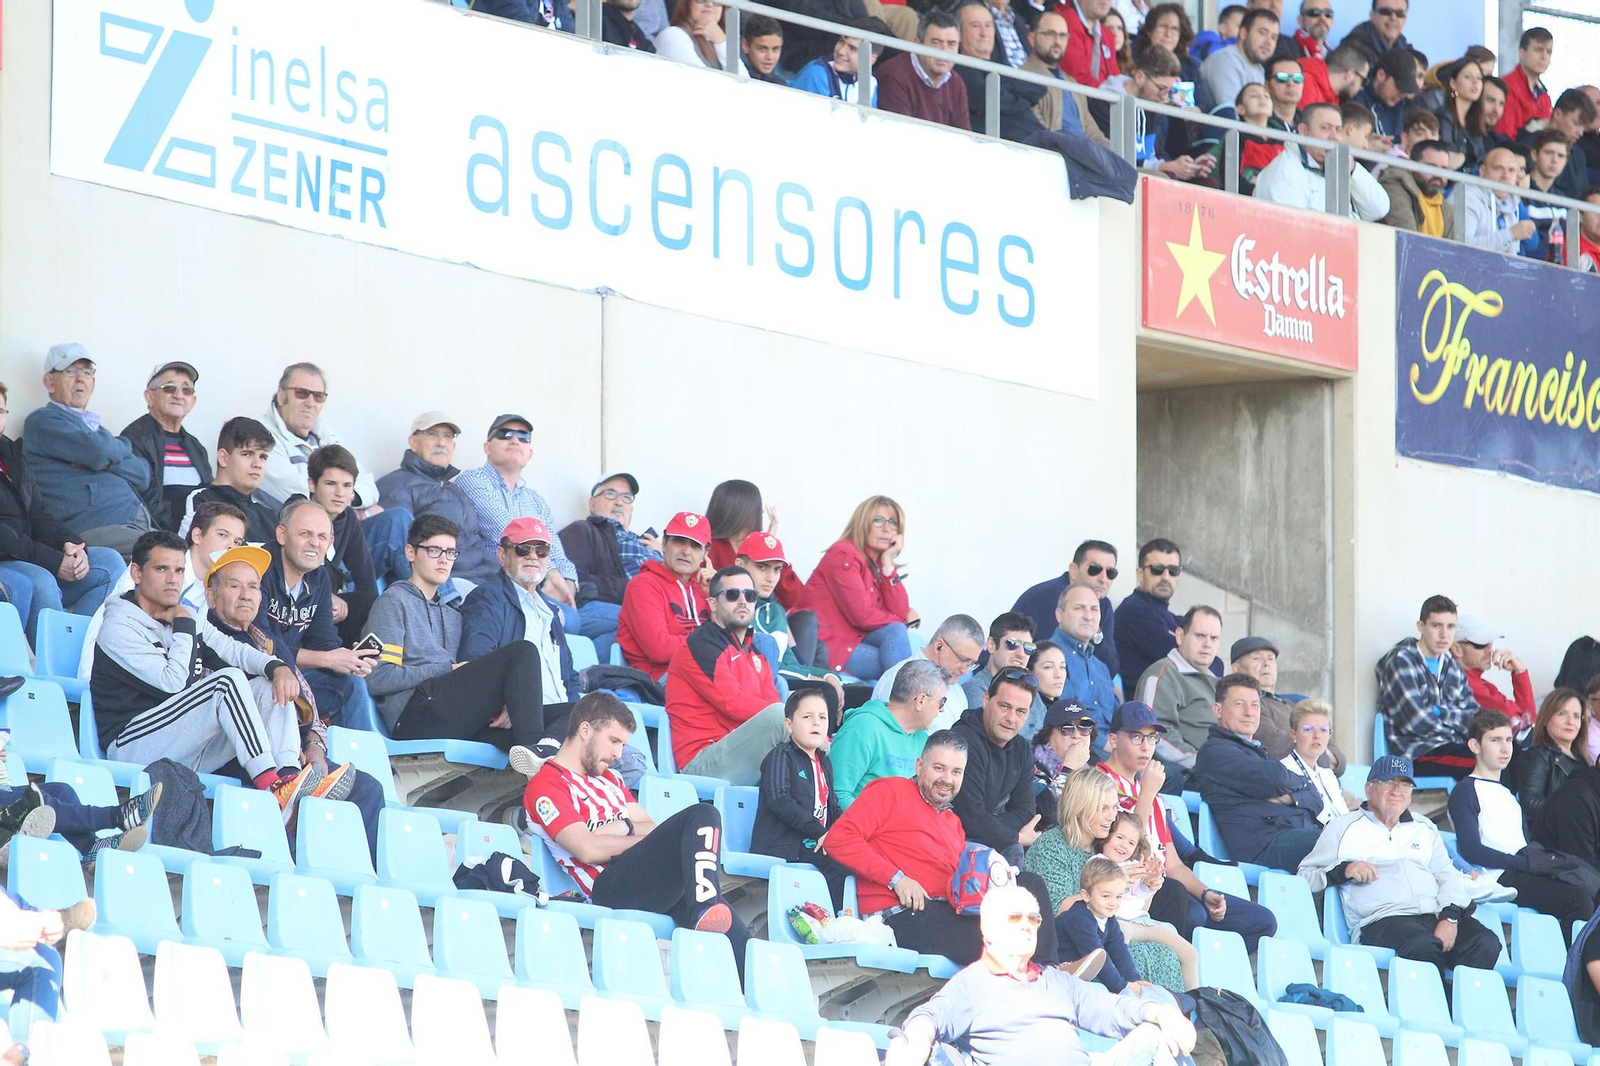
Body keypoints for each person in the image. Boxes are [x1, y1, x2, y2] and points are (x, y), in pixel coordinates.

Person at [90, 533, 340, 813]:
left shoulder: (181, 615)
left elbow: (231, 649)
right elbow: (175, 684)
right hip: (134, 746)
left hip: (181, 744)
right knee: (227, 681)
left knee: (265, 684)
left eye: (179, 570)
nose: (173, 578)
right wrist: (184, 626)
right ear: (136, 572)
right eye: (162, 569)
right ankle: (271, 785)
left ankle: (289, 778)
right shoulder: (119, 627)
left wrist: (277, 667)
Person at [523, 692, 753, 968]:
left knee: (743, 947)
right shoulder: (547, 784)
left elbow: (650, 828)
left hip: (644, 880)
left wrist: (624, 826)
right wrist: (635, 838)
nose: (619, 754)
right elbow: (586, 848)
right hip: (608, 886)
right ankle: (704, 906)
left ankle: (711, 920)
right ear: (585, 730)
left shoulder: (611, 779)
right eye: (614, 741)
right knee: (703, 814)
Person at [887, 882, 1198, 1066]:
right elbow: (929, 1018)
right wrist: (913, 1042)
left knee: (1155, 1035)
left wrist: (1163, 1013)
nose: (1026, 924)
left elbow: (1114, 1009)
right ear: (988, 928)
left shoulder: (1056, 981)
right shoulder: (973, 985)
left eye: (1033, 919)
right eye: (1014, 917)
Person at [203, 541, 385, 853]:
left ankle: (360, 880)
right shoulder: (203, 635)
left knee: (368, 788)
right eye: (234, 586)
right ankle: (294, 873)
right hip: (236, 753)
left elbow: (307, 697)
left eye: (253, 587)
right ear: (211, 595)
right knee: (271, 696)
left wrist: (314, 746)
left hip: (291, 753)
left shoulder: (267, 641)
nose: (246, 594)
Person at [825, 731, 1062, 965]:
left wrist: (995, 884)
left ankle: (1048, 971)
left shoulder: (952, 822)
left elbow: (955, 884)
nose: (947, 779)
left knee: (1029, 885)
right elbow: (838, 839)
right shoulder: (890, 791)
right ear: (919, 766)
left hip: (947, 910)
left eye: (956, 772)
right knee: (999, 939)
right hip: (900, 915)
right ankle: (1036, 976)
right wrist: (897, 879)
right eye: (939, 768)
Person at [1096, 703, 1278, 949]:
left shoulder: (1152, 792)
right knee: (1190, 911)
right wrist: (1147, 792)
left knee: (1262, 921)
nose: (1146, 746)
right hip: (1130, 888)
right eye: (1136, 736)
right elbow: (1128, 851)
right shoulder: (1100, 783)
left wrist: (1205, 893)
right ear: (1113, 739)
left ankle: (1213, 973)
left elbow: (1173, 865)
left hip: (1163, 885)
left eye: (1152, 738)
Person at [366, 515, 555, 751]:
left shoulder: (454, 615)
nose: (444, 560)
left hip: (454, 717)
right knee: (523, 652)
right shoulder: (393, 603)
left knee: (581, 713)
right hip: (413, 717)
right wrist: (447, 670)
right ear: (411, 553)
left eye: (450, 553)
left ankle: (539, 759)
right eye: (434, 551)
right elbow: (379, 678)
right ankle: (535, 757)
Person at [1299, 755, 1500, 972]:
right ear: (1368, 789)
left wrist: (1450, 918)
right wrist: (1344, 870)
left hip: (1432, 914)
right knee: (1422, 947)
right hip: (1382, 920)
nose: (1397, 791)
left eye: (1405, 784)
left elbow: (1447, 877)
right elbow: (1306, 875)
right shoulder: (1342, 827)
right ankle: (1439, 1001)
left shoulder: (1425, 827)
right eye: (1387, 783)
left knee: (1485, 943)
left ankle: (1457, 1002)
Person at [1024, 766, 1211, 982]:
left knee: (1167, 953)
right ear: (1079, 807)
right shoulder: (1052, 846)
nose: (1112, 816)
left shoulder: (1105, 845)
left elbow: (1136, 907)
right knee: (1141, 955)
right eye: (1103, 808)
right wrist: (1111, 881)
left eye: (1114, 807)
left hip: (1112, 930)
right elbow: (1054, 911)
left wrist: (1148, 885)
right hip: (1073, 943)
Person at [1450, 709, 1600, 935]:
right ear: (1475, 746)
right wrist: (1524, 864)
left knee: (1590, 885)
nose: (1505, 748)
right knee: (1576, 898)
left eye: (1509, 740)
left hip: (1524, 867)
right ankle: (1576, 967)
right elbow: (1472, 850)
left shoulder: (1508, 794)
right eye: (1495, 740)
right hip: (1498, 876)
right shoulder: (1466, 789)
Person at [260, 363, 410, 584]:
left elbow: (368, 486)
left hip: (339, 534)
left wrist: (345, 498)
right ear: (281, 395)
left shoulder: (324, 434)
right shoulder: (262, 435)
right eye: (302, 393)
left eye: (318, 396)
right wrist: (363, 513)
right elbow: (299, 493)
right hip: (300, 543)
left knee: (400, 518)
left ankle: (438, 606)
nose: (310, 402)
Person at [0, 384, 121, 641]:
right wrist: (53, 561)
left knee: (109, 563)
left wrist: (72, 545)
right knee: (41, 579)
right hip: (8, 560)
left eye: (0, 410)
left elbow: (39, 514)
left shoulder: (11, 455)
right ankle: (57, 667)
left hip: (28, 555)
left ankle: (82, 657)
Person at [77, 500, 248, 678]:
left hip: (164, 682)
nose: (231, 547)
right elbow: (105, 624)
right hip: (115, 678)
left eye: (237, 542)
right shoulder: (154, 565)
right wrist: (87, 682)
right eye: (222, 535)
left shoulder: (210, 590)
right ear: (197, 535)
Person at [457, 518, 580, 759]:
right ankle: (548, 750)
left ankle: (551, 746)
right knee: (587, 715)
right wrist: (505, 703)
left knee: (599, 714)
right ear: (502, 555)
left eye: (542, 550)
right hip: (515, 719)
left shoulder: (550, 611)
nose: (533, 556)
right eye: (523, 549)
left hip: (555, 719)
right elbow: (476, 662)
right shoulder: (488, 598)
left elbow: (570, 678)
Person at [454, 414, 589, 634]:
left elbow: (556, 550)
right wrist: (548, 574)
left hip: (533, 587)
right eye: (505, 434)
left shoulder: (536, 501)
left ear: (530, 453)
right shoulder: (472, 480)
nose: (515, 440)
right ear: (487, 447)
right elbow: (510, 534)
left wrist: (567, 584)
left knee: (576, 620)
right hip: (491, 583)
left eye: (523, 437)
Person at [254, 499, 380, 722]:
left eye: (322, 537)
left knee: (352, 684)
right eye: (305, 534)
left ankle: (351, 757)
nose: (314, 543)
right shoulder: (257, 569)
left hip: (295, 676)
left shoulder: (319, 577)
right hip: (256, 676)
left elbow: (323, 642)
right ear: (282, 535)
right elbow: (260, 643)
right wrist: (327, 659)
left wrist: (347, 661)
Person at [22, 344, 151, 555]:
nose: (80, 378)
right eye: (70, 371)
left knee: (184, 554)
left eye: (87, 371)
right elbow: (98, 452)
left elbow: (142, 474)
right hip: (90, 527)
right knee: (165, 552)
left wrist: (109, 457)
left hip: (129, 523)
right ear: (50, 381)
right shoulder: (42, 421)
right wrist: (115, 451)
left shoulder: (95, 429)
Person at [664, 565, 786, 784]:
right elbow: (732, 702)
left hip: (740, 753)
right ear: (712, 603)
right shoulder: (701, 645)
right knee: (783, 718)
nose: (742, 601)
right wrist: (798, 720)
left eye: (749, 595)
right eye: (732, 595)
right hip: (702, 761)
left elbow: (772, 702)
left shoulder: (756, 655)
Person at [1192, 674, 1324, 870]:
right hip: (1263, 845)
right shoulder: (1215, 752)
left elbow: (1315, 798)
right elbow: (1276, 778)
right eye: (1239, 704)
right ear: (1218, 710)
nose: (1249, 712)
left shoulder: (1258, 753)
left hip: (1294, 833)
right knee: (1341, 842)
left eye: (1255, 705)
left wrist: (1289, 798)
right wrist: (1296, 787)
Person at [795, 495, 914, 679]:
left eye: (893, 522)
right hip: (828, 644)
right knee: (900, 668)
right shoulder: (844, 555)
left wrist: (888, 565)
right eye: (878, 520)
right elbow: (864, 616)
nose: (887, 528)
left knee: (898, 638)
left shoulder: (876, 562)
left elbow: (899, 610)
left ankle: (909, 697)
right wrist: (901, 619)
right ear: (862, 524)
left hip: (853, 637)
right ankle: (909, 700)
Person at [752, 689, 851, 907]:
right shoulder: (780, 756)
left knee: (859, 857)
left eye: (822, 717)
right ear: (789, 725)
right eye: (807, 717)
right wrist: (821, 833)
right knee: (840, 865)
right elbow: (780, 800)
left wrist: (847, 833)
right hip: (784, 844)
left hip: (815, 842)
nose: (816, 723)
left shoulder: (824, 762)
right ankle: (836, 924)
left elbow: (832, 806)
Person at [375, 413, 496, 583]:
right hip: (448, 586)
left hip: (483, 578)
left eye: (447, 436)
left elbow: (475, 544)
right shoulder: (396, 485)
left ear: (453, 445)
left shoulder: (455, 489)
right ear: (413, 442)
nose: (441, 443)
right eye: (432, 434)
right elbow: (402, 552)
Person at [1376, 594, 1480, 779]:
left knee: (1511, 754)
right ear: (1421, 626)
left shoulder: (1452, 667)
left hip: (1452, 747)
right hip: (1415, 754)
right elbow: (1416, 721)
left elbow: (1474, 718)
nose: (1444, 634)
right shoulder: (1401, 661)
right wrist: (1458, 728)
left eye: (1450, 627)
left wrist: (1441, 712)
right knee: (1488, 760)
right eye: (1436, 625)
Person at [952, 668, 1045, 863]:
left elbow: (1026, 812)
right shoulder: (962, 740)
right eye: (1004, 706)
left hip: (988, 844)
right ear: (986, 700)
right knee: (1014, 848)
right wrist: (1016, 836)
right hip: (953, 844)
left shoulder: (1020, 747)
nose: (1011, 718)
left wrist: (990, 825)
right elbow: (969, 820)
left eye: (1021, 711)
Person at [557, 472, 661, 643]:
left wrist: (662, 554)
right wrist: (635, 590)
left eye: (626, 497)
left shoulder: (648, 544)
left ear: (631, 509)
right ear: (592, 503)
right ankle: (592, 671)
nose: (619, 502)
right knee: (635, 623)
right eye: (610, 494)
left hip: (654, 609)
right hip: (594, 608)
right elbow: (574, 582)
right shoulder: (582, 530)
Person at [829, 658, 946, 807]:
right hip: (864, 828)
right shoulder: (863, 728)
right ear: (921, 700)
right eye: (941, 701)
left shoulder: (923, 740)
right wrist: (876, 829)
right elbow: (837, 794)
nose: (942, 709)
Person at [1094, 46, 1216, 181]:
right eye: (1162, 89)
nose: (1165, 97)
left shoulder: (1151, 101)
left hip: (1151, 175)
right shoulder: (1106, 101)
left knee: (1208, 183)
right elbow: (1115, 154)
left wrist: (1188, 167)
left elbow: (1158, 154)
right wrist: (1164, 167)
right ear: (1140, 77)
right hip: (1122, 175)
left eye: (1170, 91)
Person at [615, 510, 711, 679]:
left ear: (705, 554)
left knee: (761, 643)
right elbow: (660, 649)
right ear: (664, 544)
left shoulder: (704, 590)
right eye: (680, 542)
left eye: (695, 546)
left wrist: (718, 595)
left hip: (704, 675)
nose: (686, 551)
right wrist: (711, 643)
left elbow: (733, 642)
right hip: (662, 679)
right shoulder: (643, 585)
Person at [1229, 635, 1346, 772]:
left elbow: (1339, 758)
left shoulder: (1292, 705)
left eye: (1271, 659)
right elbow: (1276, 745)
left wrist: (1316, 753)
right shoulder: (1249, 707)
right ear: (1237, 669)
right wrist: (1322, 754)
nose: (1266, 664)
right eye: (1257, 658)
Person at [1253, 102, 1388, 220]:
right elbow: (1289, 229)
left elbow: (1378, 210)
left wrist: (1353, 170)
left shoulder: (1341, 167)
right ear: (1304, 131)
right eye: (1325, 128)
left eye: (1338, 130)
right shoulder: (1285, 170)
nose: (1334, 136)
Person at [120, 361, 212, 533]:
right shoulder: (135, 438)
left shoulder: (196, 447)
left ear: (193, 401)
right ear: (150, 396)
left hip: (197, 533)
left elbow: (209, 494)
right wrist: (178, 534)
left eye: (187, 390)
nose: (178, 395)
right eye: (169, 388)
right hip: (159, 534)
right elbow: (143, 499)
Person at [1012, 539, 1120, 684]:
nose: (1103, 579)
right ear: (1074, 571)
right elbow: (1048, 664)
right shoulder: (1049, 597)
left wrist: (1094, 632)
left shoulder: (1103, 604)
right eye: (1094, 570)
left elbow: (1110, 669)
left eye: (1110, 573)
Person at [737, 532, 836, 689]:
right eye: (762, 567)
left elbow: (791, 663)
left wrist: (828, 676)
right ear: (740, 565)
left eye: (777, 570)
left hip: (788, 684)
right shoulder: (732, 606)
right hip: (763, 691)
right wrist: (811, 677)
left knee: (859, 690)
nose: (771, 577)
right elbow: (764, 668)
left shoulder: (776, 610)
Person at [306, 446, 379, 646]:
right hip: (302, 609)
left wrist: (377, 613)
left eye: (347, 486)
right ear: (312, 484)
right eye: (331, 484)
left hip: (332, 609)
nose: (340, 493)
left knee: (375, 603)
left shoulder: (347, 518)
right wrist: (325, 596)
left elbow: (365, 575)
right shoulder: (298, 515)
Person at [1134, 605, 1221, 772]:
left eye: (1214, 638)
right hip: (1192, 774)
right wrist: (1204, 763)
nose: (1207, 644)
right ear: (1180, 636)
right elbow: (1154, 734)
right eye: (1200, 636)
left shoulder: (1219, 682)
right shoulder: (1162, 675)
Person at [1114, 538, 1211, 688]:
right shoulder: (1133, 611)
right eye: (1157, 570)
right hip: (1147, 708)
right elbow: (1190, 660)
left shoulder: (1174, 619)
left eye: (1173, 571)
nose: (1166, 577)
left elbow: (1213, 663)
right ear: (1140, 574)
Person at [178, 417, 282, 544]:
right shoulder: (200, 500)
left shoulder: (269, 516)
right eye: (247, 454)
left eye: (263, 457)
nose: (257, 464)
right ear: (224, 458)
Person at [873, 614, 984, 733]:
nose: (966, 671)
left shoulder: (958, 691)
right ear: (939, 646)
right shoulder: (897, 679)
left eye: (971, 664)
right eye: (963, 660)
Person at [953, 0, 1045, 143]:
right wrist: (1022, 100)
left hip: (1037, 140)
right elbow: (987, 99)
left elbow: (1038, 88)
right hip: (1010, 147)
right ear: (959, 34)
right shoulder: (960, 68)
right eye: (975, 26)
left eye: (988, 26)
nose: (984, 33)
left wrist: (1009, 95)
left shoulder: (1000, 66)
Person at [704, 479, 804, 610]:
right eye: (757, 508)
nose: (761, 512)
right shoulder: (708, 549)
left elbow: (794, 597)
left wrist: (770, 550)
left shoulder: (756, 546)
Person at [875, 9, 971, 129]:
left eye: (951, 44)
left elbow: (965, 137)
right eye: (936, 42)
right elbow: (901, 134)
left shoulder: (956, 82)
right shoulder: (894, 74)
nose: (944, 51)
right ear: (917, 44)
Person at [1516, 688, 1588, 833]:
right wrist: (1572, 811)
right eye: (1562, 714)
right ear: (1546, 717)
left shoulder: (1584, 760)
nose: (1570, 722)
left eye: (1576, 716)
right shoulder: (1537, 755)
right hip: (1554, 840)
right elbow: (1529, 802)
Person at [1049, 585, 1118, 734]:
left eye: (1094, 609)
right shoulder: (1047, 658)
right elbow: (1063, 722)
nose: (1088, 616)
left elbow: (1120, 719)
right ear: (1059, 614)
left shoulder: (1101, 668)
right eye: (1079, 608)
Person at [1449, 614, 1535, 731]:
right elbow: (1524, 723)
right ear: (1456, 649)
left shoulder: (1480, 682)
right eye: (1481, 645)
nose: (1490, 650)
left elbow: (1529, 722)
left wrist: (1519, 671)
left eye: (1490, 643)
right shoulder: (1463, 683)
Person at [1279, 699, 1355, 824]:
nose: (1317, 736)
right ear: (1293, 734)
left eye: (1324, 730)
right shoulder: (1284, 771)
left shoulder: (1328, 775)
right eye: (1308, 729)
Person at [1022, 12, 1095, 139]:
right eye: (1050, 34)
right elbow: (1039, 133)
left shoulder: (1073, 84)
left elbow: (1093, 132)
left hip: (1084, 151)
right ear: (1032, 39)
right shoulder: (1023, 77)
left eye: (1062, 35)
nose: (1057, 41)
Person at [962, 612, 1039, 727]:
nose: (1021, 654)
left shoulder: (1032, 692)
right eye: (1013, 644)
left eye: (1028, 647)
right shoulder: (974, 691)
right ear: (991, 645)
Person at [1456, 145, 1537, 254]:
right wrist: (1510, 234)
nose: (1506, 176)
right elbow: (1462, 248)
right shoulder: (1467, 196)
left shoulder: (1511, 204)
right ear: (1482, 171)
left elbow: (1529, 246)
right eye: (1498, 168)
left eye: (1511, 170)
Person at [1199, 8, 1276, 120]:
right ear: (1243, 33)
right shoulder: (1224, 59)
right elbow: (1233, 115)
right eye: (1263, 33)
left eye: (1274, 37)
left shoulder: (1260, 69)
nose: (1269, 42)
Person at [1033, 700, 1098, 821]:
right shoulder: (1032, 765)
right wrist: (1068, 769)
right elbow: (1041, 816)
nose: (1077, 735)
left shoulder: (1090, 773)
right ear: (1048, 735)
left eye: (1084, 728)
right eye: (1067, 729)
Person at [1379, 140, 1455, 236]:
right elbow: (1407, 238)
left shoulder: (1445, 207)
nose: (1438, 174)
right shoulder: (1395, 184)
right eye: (1431, 167)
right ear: (1413, 165)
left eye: (1444, 169)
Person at [792, 25, 880, 104]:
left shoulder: (871, 82)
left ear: (870, 60)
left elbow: (869, 119)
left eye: (852, 49)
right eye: (841, 41)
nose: (841, 51)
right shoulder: (817, 72)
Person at [653, 0, 747, 72]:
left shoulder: (718, 41)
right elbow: (700, 79)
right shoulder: (672, 35)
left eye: (717, 1)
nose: (709, 4)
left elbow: (745, 81)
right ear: (687, 4)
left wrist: (721, 42)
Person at [1495, 26, 1553, 140]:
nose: (1544, 56)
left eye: (1549, 52)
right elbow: (1505, 134)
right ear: (1522, 53)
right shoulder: (1508, 86)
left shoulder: (1544, 95)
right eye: (1538, 50)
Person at [1354, 47, 1419, 144]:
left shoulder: (1400, 106)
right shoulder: (1356, 97)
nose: (1402, 95)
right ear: (1381, 75)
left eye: (1405, 91)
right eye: (1399, 87)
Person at [1432, 57, 1487, 171]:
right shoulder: (1442, 117)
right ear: (1453, 83)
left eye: (1479, 78)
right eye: (1468, 77)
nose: (1475, 82)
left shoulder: (1476, 122)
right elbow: (1449, 160)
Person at [1058, 0, 1120, 89]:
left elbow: (1115, 78)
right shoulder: (1063, 22)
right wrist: (1106, 94)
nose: (1106, 1)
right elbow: (1075, 76)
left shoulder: (1107, 35)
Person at [1335, 0, 1408, 62]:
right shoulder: (1354, 48)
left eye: (1400, 14)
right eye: (1386, 11)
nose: (1393, 17)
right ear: (1372, 15)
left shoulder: (1406, 49)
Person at [739, 15, 784, 82]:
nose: (770, 57)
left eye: (775, 49)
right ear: (745, 45)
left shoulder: (780, 84)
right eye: (762, 49)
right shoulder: (732, 73)